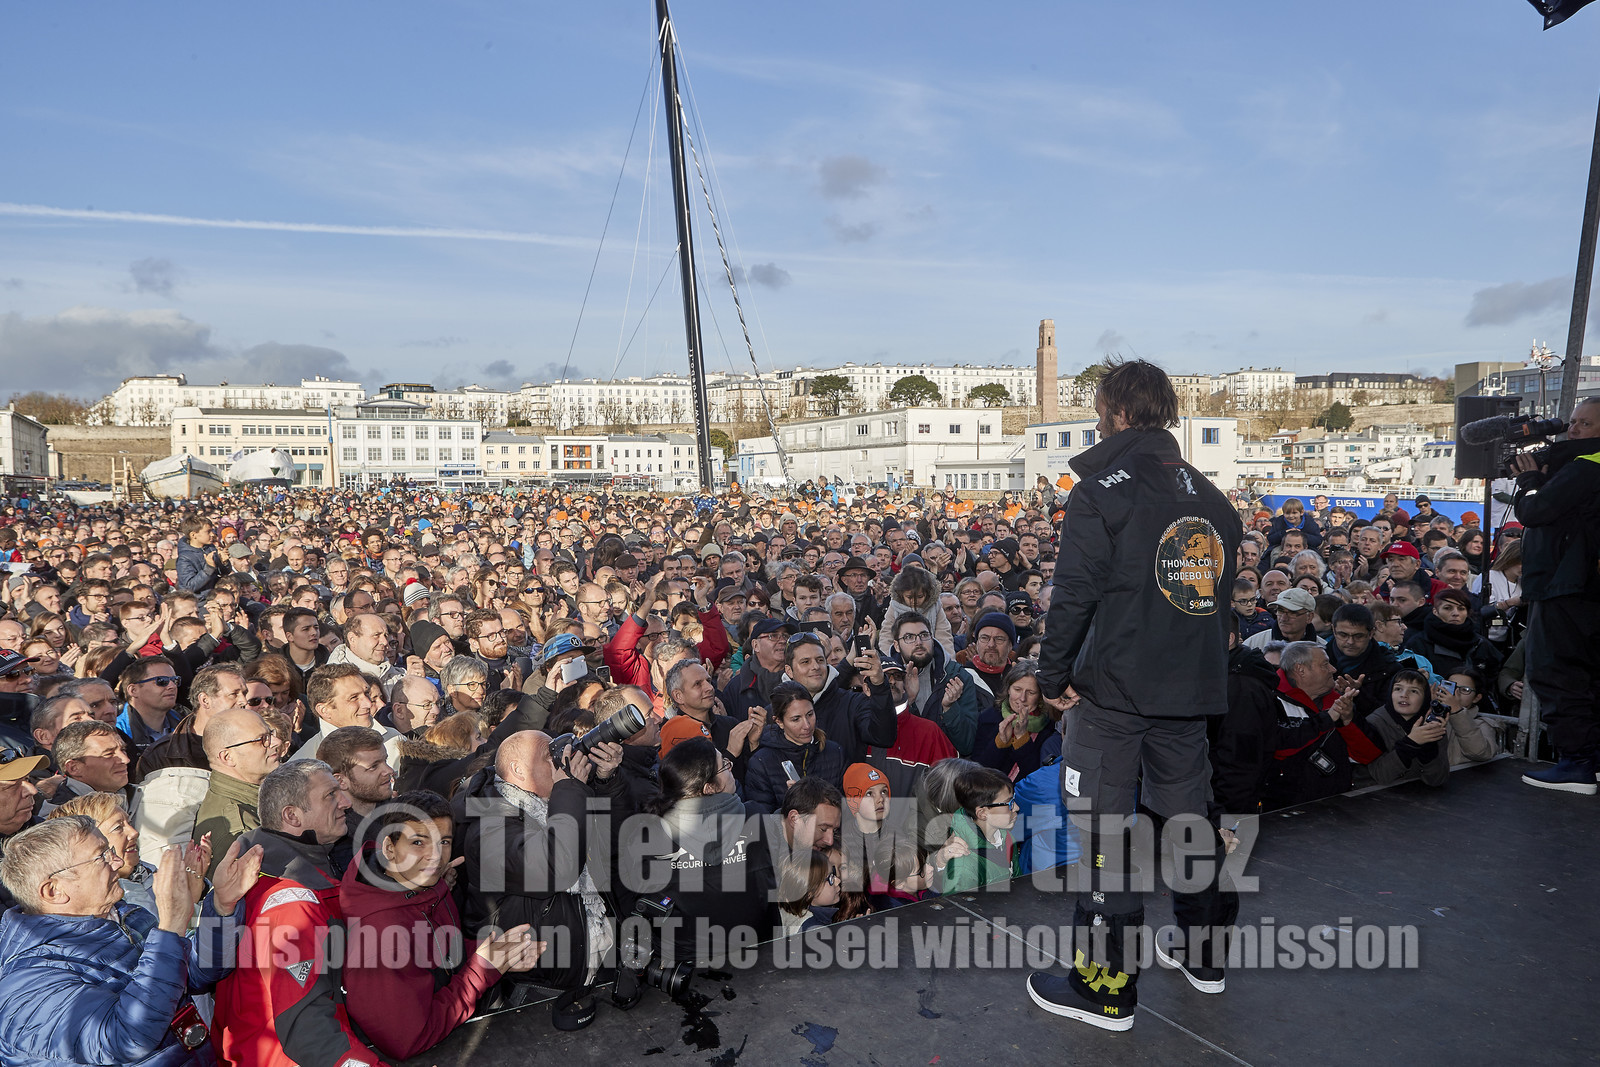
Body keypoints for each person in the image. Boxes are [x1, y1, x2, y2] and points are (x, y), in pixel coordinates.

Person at [1030, 359, 1242, 1031]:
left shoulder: (1102, 492)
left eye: (1098, 408)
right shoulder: (1213, 499)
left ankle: (1106, 987)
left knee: (1105, 836)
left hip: (1117, 695)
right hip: (1191, 693)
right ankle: (1204, 955)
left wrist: (1052, 675)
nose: (1095, 419)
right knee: (1188, 824)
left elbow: (1074, 595)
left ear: (1118, 411)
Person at [0, 817, 261, 1067]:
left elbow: (198, 974)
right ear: (53, 890)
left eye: (110, 850)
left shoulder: (123, 914)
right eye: (101, 856)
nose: (116, 861)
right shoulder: (27, 982)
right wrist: (170, 926)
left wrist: (222, 906)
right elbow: (127, 1038)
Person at [339, 791, 543, 1060]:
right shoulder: (379, 939)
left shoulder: (420, 886)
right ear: (389, 848)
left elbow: (442, 952)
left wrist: (498, 954)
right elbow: (409, 1040)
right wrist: (482, 970)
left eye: (444, 841)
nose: (435, 856)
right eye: (418, 842)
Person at [213, 760, 383, 1067]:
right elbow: (308, 1030)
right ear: (292, 815)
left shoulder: (265, 870)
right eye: (331, 795)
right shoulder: (291, 901)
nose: (345, 802)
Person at [451, 729, 625, 1020]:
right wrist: (569, 789)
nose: (561, 764)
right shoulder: (488, 827)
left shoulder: (561, 803)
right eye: (550, 757)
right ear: (518, 770)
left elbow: (617, 847)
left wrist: (606, 781)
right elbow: (557, 867)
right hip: (536, 993)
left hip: (592, 970)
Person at [1508, 398, 1600, 791]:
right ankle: (1590, 761)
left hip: (1565, 586)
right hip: (1581, 586)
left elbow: (1534, 511)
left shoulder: (1587, 467)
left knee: (1554, 671)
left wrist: (1530, 482)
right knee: (1585, 675)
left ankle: (1576, 763)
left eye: (1584, 423)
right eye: (1573, 421)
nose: (1572, 429)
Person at [641, 737, 774, 965]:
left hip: (684, 963)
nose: (730, 768)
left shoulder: (650, 835)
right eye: (724, 765)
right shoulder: (755, 818)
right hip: (756, 952)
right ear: (709, 788)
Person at [192, 708, 282, 879]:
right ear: (227, 757)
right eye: (262, 739)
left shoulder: (257, 797)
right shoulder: (238, 831)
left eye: (271, 733)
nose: (276, 741)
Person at [743, 682, 846, 814]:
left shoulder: (835, 752)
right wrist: (794, 804)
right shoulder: (762, 762)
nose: (807, 725)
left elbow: (847, 809)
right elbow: (761, 821)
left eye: (810, 714)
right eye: (796, 719)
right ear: (779, 722)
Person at [1355, 669, 1449, 788]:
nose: (1404, 695)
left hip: (1416, 797)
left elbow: (1437, 779)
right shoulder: (1373, 723)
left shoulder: (1432, 724)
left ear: (1425, 699)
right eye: (1398, 689)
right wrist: (1411, 744)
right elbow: (1382, 776)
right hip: (1373, 797)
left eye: (1414, 691)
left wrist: (1428, 745)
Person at [941, 766, 1019, 894]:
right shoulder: (964, 867)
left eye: (1014, 800)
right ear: (982, 813)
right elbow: (958, 911)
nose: (1016, 807)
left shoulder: (1006, 838)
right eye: (1009, 803)